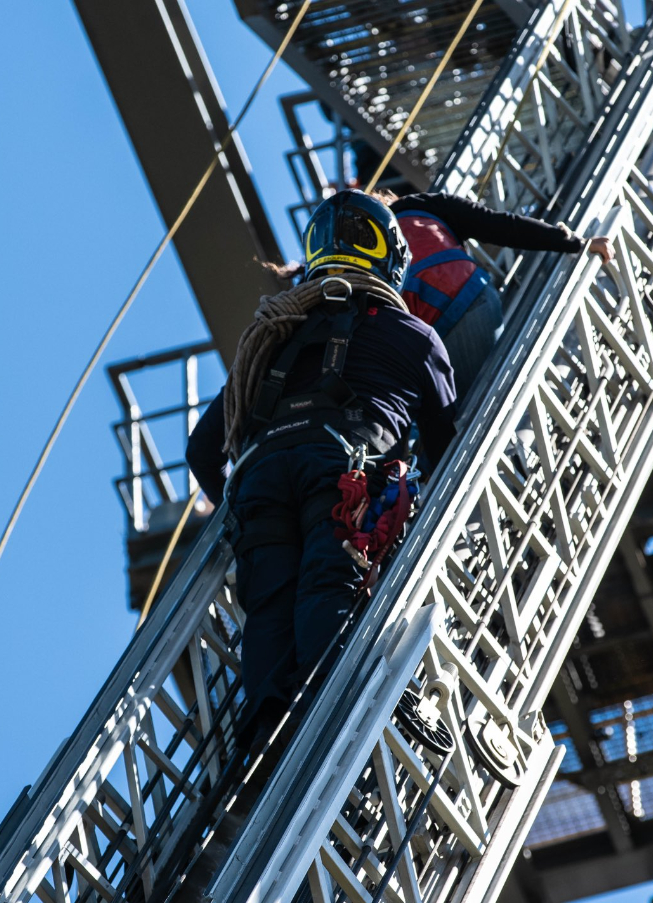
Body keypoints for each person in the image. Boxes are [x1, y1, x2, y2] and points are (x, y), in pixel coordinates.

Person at [186, 191, 457, 749]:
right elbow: (445, 451)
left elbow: (202, 448)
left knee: (268, 611)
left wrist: (241, 509)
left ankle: (263, 744)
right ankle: (330, 715)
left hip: (259, 475)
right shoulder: (415, 337)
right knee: (328, 586)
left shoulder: (274, 335)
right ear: (392, 260)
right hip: (347, 472)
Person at [369, 185, 615, 403]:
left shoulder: (364, 258)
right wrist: (574, 242)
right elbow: (500, 225)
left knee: (455, 423)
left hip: (419, 338)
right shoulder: (422, 206)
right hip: (467, 301)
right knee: (487, 406)